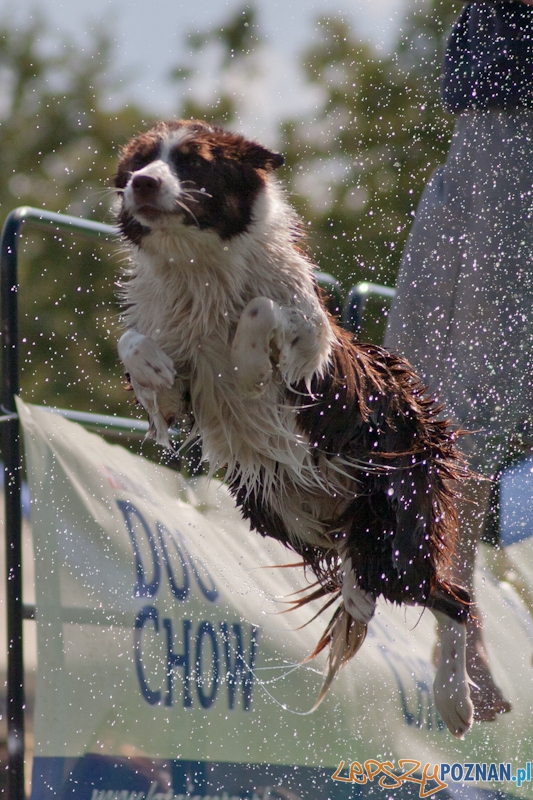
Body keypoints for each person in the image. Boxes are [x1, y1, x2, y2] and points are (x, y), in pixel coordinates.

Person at [385, 0, 533, 722]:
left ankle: (460, 629)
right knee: (404, 375)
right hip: (474, 127)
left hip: (520, 136)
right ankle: (450, 610)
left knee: (471, 406)